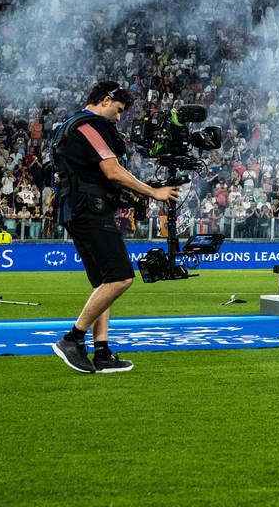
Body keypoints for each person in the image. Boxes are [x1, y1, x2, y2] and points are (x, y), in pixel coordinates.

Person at [49, 81, 178, 374]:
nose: (119, 117)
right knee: (121, 277)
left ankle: (102, 352)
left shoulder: (70, 126)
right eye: (118, 110)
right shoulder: (88, 125)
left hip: (79, 209)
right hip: (88, 210)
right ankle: (73, 339)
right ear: (106, 100)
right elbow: (112, 171)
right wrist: (152, 192)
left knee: (105, 283)